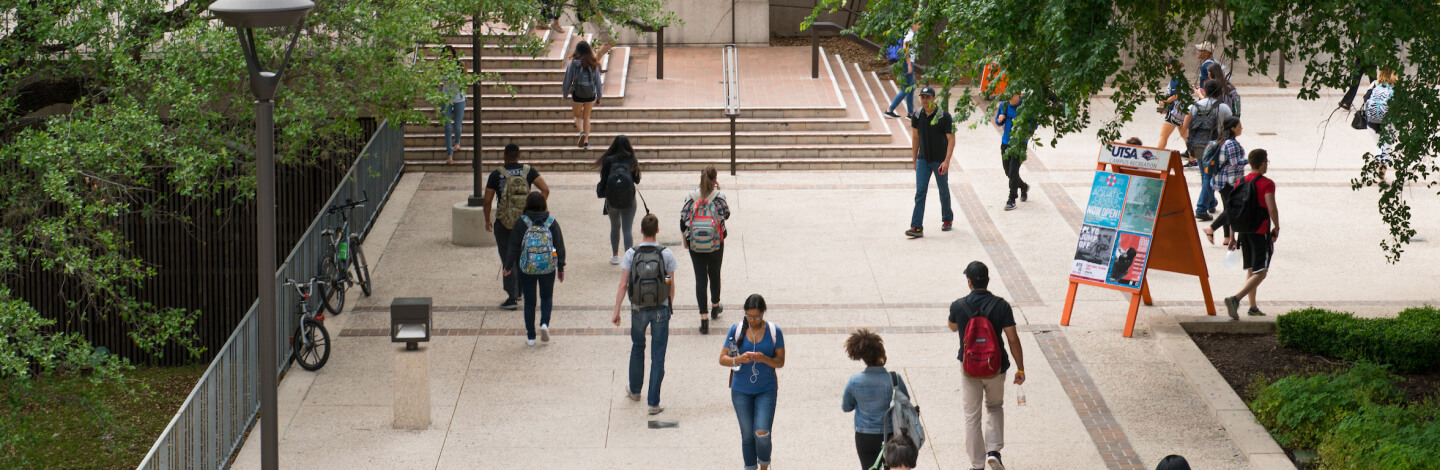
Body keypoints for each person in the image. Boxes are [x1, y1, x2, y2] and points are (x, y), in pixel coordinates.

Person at [947, 261, 1025, 470]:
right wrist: (1020, 368)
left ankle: (976, 464)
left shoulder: (958, 305)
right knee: (994, 406)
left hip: (969, 367)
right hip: (996, 367)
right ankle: (993, 452)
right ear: (988, 280)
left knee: (972, 416)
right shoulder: (1001, 305)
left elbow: (953, 327)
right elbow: (1013, 339)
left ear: (969, 281)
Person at [611, 214, 678, 414]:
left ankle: (635, 390)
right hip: (660, 308)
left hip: (638, 308)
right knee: (658, 355)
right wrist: (668, 306)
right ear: (658, 230)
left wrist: (616, 311)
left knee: (637, 346)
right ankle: (653, 403)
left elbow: (623, 284)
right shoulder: (666, 254)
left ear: (640, 231)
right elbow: (670, 285)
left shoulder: (631, 254)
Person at [718, 294, 786, 470]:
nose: (752, 320)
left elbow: (780, 362)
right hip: (741, 390)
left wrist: (764, 359)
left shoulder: (773, 331)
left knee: (762, 432)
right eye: (749, 316)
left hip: (766, 388)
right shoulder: (737, 329)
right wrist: (739, 359)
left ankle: (764, 465)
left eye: (756, 317)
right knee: (747, 435)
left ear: (763, 313)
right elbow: (722, 359)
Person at [484, 144, 550, 310]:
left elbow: (487, 200)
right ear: (519, 156)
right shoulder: (528, 171)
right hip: (525, 221)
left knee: (508, 257)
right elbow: (545, 189)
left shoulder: (496, 174)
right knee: (523, 254)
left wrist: (487, 219)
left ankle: (512, 297)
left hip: (504, 222)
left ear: (504, 156)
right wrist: (536, 210)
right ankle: (521, 290)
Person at [503, 192, 566, 346]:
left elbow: (513, 246)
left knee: (530, 301)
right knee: (546, 297)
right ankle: (544, 323)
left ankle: (531, 336)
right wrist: (561, 266)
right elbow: (559, 246)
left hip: (527, 268)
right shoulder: (551, 222)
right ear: (544, 205)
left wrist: (508, 265)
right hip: (547, 267)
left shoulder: (522, 222)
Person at [843, 329, 910, 470]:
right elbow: (906, 402)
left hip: (864, 436)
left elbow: (846, 407)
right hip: (890, 435)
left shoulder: (854, 381)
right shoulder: (894, 379)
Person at [1223, 149, 1278, 319]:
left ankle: (1253, 307)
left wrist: (1232, 236)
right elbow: (1271, 207)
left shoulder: (1241, 181)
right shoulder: (1267, 183)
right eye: (1266, 162)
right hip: (1260, 232)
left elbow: (1233, 210)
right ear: (1262, 163)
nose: (1266, 165)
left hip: (1243, 232)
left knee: (1252, 269)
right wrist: (1277, 226)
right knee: (1261, 272)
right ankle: (1236, 299)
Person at [680, 166, 730, 334]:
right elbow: (726, 215)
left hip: (695, 243)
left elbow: (683, 220)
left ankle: (703, 318)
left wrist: (684, 239)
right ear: (715, 179)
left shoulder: (691, 196)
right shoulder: (719, 197)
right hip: (715, 242)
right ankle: (715, 306)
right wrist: (719, 192)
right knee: (714, 273)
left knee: (700, 278)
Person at [906, 87, 955, 238]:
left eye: (928, 97)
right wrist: (914, 159)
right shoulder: (917, 115)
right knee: (920, 192)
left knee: (943, 190)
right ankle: (916, 226)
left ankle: (947, 219)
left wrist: (946, 161)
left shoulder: (944, 117)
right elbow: (915, 138)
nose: (925, 100)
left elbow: (951, 139)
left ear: (934, 98)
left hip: (939, 161)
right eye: (923, 97)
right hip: (923, 160)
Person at [1181, 80, 1233, 221]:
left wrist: (1190, 143)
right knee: (1209, 176)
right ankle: (1201, 208)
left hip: (1197, 144)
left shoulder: (1194, 106)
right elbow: (1231, 126)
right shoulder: (1223, 108)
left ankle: (1211, 203)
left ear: (1205, 91)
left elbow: (1185, 125)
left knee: (1205, 175)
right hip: (1214, 146)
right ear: (1219, 92)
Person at [597, 135, 642, 264]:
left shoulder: (608, 160)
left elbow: (604, 180)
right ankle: (628, 258)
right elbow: (637, 180)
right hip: (629, 198)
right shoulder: (631, 158)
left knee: (615, 226)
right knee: (627, 229)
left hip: (612, 199)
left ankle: (615, 255)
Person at [1202, 117, 1246, 246]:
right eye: (1239, 126)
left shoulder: (1224, 141)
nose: (1241, 128)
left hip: (1222, 181)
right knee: (1232, 209)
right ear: (1232, 128)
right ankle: (1211, 228)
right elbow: (1235, 163)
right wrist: (1250, 160)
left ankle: (1227, 237)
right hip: (1229, 181)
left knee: (1228, 208)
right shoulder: (1231, 143)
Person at [562, 40, 602, 149]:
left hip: (577, 93)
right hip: (590, 94)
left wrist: (565, 94)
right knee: (587, 117)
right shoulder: (594, 63)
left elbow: (567, 80)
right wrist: (599, 96)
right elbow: (598, 81)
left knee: (577, 116)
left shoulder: (573, 63)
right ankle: (586, 142)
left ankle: (581, 134)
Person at [994, 94, 1031, 211]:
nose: (1009, 99)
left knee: (1013, 171)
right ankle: (1024, 186)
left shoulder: (1026, 107)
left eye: (1012, 96)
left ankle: (1011, 199)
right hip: (1006, 142)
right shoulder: (1004, 105)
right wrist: (999, 120)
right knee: (1008, 172)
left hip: (1019, 144)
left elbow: (1033, 124)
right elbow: (998, 122)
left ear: (1018, 95)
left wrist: (1025, 132)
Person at [1363, 68, 1397, 179]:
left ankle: (1379, 173)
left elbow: (1366, 99)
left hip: (1372, 122)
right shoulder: (1396, 88)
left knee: (1379, 145)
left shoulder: (1374, 84)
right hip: (1389, 123)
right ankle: (1381, 178)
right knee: (1385, 149)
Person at [883, 23, 920, 119]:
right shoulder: (910, 35)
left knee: (911, 88)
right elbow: (905, 49)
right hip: (907, 63)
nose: (920, 26)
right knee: (906, 88)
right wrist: (908, 64)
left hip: (908, 62)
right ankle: (889, 110)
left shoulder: (910, 34)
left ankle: (910, 113)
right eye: (919, 24)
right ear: (914, 25)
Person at [440, 45, 467, 165]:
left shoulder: (460, 65)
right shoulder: (441, 67)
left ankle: (457, 141)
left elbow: (465, 79)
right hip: (446, 98)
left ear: (454, 55)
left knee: (457, 125)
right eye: (446, 56)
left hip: (459, 98)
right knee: (447, 126)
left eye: (450, 55)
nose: (448, 58)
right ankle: (449, 154)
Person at [1156, 58, 1187, 150]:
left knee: (1163, 136)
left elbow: (1176, 95)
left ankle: (1156, 159)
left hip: (1175, 112)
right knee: (1185, 136)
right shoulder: (1180, 77)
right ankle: (1193, 158)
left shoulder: (1175, 79)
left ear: (1170, 67)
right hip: (1182, 112)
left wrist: (1164, 102)